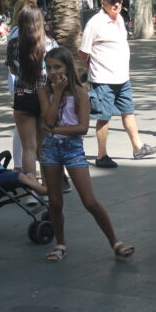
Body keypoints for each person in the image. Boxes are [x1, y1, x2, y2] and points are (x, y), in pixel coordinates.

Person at [39, 47, 135, 262]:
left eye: (58, 66)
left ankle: (115, 242)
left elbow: (81, 128)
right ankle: (60, 243)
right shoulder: (44, 91)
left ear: (68, 67)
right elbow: (47, 120)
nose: (53, 72)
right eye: (48, 67)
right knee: (55, 202)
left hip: (72, 149)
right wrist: (56, 94)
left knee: (89, 201)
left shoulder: (81, 92)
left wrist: (54, 131)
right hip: (50, 150)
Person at [79, 0, 156, 168]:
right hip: (102, 79)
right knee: (104, 116)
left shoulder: (120, 19)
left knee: (128, 112)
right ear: (103, 3)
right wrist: (90, 67)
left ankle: (138, 147)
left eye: (119, 0)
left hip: (122, 78)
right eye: (112, 1)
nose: (117, 4)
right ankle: (101, 156)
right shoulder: (95, 23)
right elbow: (83, 51)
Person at [6, 5, 58, 177]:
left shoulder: (14, 44)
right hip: (45, 97)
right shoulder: (50, 43)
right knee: (43, 146)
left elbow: (13, 70)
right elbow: (56, 71)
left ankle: (32, 191)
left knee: (28, 147)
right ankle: (47, 188)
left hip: (22, 97)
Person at [6, 0, 38, 170]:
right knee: (33, 140)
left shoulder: (15, 35)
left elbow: (11, 67)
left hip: (22, 89)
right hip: (34, 90)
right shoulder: (41, 36)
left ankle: (25, 176)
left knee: (27, 141)